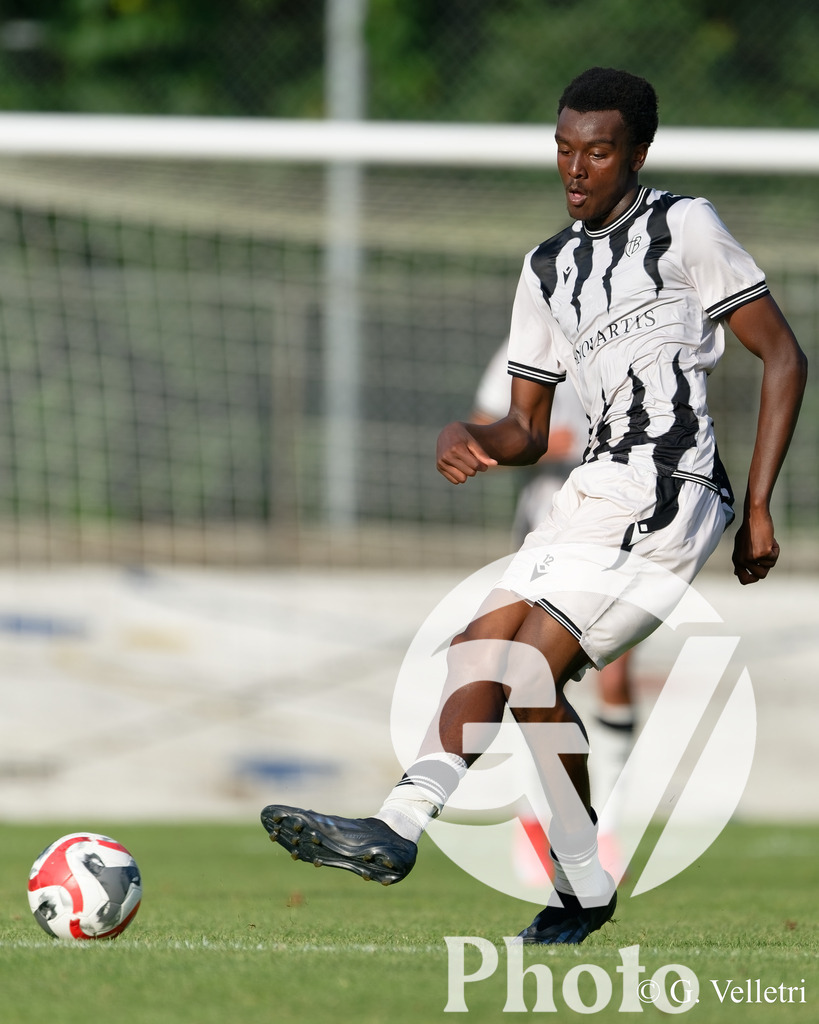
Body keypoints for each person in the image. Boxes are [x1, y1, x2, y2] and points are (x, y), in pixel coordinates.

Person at [262, 67, 807, 945]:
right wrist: (470, 434)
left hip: (667, 487)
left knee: (521, 666)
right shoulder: (546, 268)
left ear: (636, 153)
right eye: (563, 149)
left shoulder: (683, 227)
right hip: (588, 489)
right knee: (491, 654)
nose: (576, 168)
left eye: (597, 151)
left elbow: (781, 356)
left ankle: (400, 829)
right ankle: (577, 885)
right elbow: (525, 426)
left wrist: (757, 508)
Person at [472, 342, 637, 883]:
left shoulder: (632, 334)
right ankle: (533, 823)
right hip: (550, 531)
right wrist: (548, 447)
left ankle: (604, 823)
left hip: (623, 525)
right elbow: (483, 433)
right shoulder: (527, 348)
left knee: (616, 676)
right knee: (528, 677)